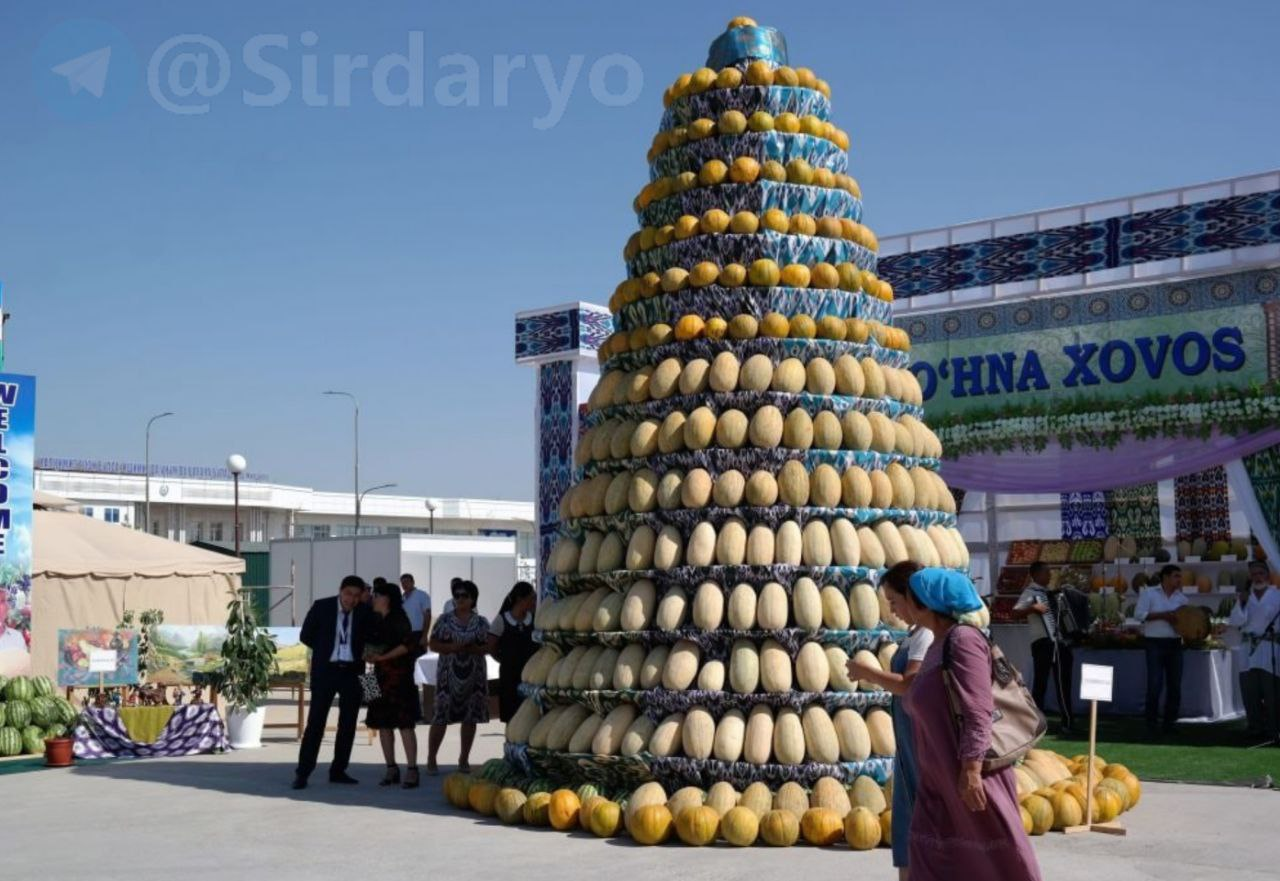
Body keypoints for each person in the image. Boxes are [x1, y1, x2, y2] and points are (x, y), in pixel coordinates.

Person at [900, 568, 1042, 881]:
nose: (901, 605)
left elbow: (978, 710)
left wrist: (972, 771)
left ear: (925, 603)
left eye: (906, 598)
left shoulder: (963, 640)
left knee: (995, 862)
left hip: (970, 775)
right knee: (933, 857)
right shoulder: (938, 643)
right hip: (938, 778)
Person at [847, 561, 931, 881]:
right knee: (909, 824)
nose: (892, 610)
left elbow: (910, 684)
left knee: (919, 824)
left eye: (894, 601)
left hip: (920, 740)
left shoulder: (926, 635)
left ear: (912, 596)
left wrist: (867, 673)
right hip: (907, 739)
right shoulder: (916, 633)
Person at [293, 575, 373, 790]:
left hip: (352, 673)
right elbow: (305, 635)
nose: (351, 600)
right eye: (348, 594)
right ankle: (303, 772)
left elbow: (372, 638)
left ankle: (339, 770)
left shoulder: (365, 612)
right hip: (326, 672)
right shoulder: (322, 606)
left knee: (347, 725)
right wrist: (325, 648)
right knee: (315, 724)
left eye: (356, 596)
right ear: (340, 591)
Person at [426, 580, 490, 774]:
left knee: (470, 718)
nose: (460, 599)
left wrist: (473, 648)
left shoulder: (481, 622)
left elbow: (489, 646)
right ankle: (431, 758)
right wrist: (451, 648)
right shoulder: (444, 620)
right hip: (448, 675)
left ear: (473, 599)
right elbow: (433, 644)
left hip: (474, 675)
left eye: (464, 596)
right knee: (441, 717)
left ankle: (464, 759)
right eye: (457, 595)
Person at [365, 581, 423, 788]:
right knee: (381, 724)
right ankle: (391, 767)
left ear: (387, 598)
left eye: (377, 595)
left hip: (399, 679)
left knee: (405, 724)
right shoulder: (373, 619)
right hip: (373, 677)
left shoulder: (399, 618)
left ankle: (412, 769)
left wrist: (383, 657)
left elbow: (408, 645)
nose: (373, 598)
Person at [1012, 562, 1074, 734]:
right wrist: (1032, 608)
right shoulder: (1030, 593)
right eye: (1046, 573)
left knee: (1063, 682)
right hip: (1042, 642)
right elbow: (1015, 612)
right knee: (1041, 683)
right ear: (1036, 575)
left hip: (1058, 642)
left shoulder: (1051, 593)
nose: (1049, 576)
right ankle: (1036, 722)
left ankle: (1067, 720)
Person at [1228, 561, 1280, 741]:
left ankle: (1274, 729)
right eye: (1254, 574)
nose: (1257, 577)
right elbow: (1235, 621)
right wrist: (1241, 603)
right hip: (1247, 648)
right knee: (1250, 691)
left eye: (1260, 573)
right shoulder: (1245, 596)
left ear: (1267, 575)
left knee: (1271, 691)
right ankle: (1255, 727)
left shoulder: (1277, 595)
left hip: (1269, 647)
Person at [1135, 564, 1188, 737]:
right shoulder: (1149, 593)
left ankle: (1170, 723)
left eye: (1179, 576)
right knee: (1154, 685)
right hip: (1154, 643)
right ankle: (1151, 723)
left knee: (1175, 686)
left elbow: (1186, 624)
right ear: (1165, 577)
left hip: (1175, 644)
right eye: (1175, 576)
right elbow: (1139, 615)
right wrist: (1164, 615)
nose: (1179, 580)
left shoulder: (1182, 599)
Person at [488, 582, 538, 723]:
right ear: (519, 599)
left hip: (531, 677)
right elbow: (491, 645)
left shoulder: (534, 619)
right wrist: (503, 659)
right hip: (510, 677)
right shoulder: (502, 620)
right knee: (512, 717)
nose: (534, 602)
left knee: (530, 717)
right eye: (531, 598)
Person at [399, 572, 432, 650]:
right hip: (405, 635)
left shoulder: (422, 595)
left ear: (413, 582)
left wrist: (424, 636)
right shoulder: (401, 598)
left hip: (418, 634)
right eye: (403, 583)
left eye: (407, 582)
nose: (405, 584)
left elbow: (427, 616)